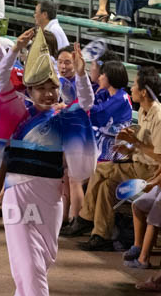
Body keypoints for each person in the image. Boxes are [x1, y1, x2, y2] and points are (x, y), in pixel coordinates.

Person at [0, 28, 95, 296]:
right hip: (18, 194)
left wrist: (83, 76)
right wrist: (14, 48)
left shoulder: (65, 116)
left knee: (44, 259)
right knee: (29, 264)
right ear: (29, 89)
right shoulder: (16, 110)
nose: (48, 93)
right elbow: (1, 82)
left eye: (53, 87)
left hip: (51, 197)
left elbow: (85, 102)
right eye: (41, 88)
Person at [62, 67, 161, 248]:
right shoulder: (143, 112)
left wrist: (136, 144)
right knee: (106, 187)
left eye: (135, 85)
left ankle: (85, 218)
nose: (132, 89)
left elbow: (158, 155)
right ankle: (101, 236)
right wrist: (128, 147)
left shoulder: (158, 116)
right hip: (137, 165)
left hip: (151, 172)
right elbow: (143, 147)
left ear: (144, 92)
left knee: (99, 169)